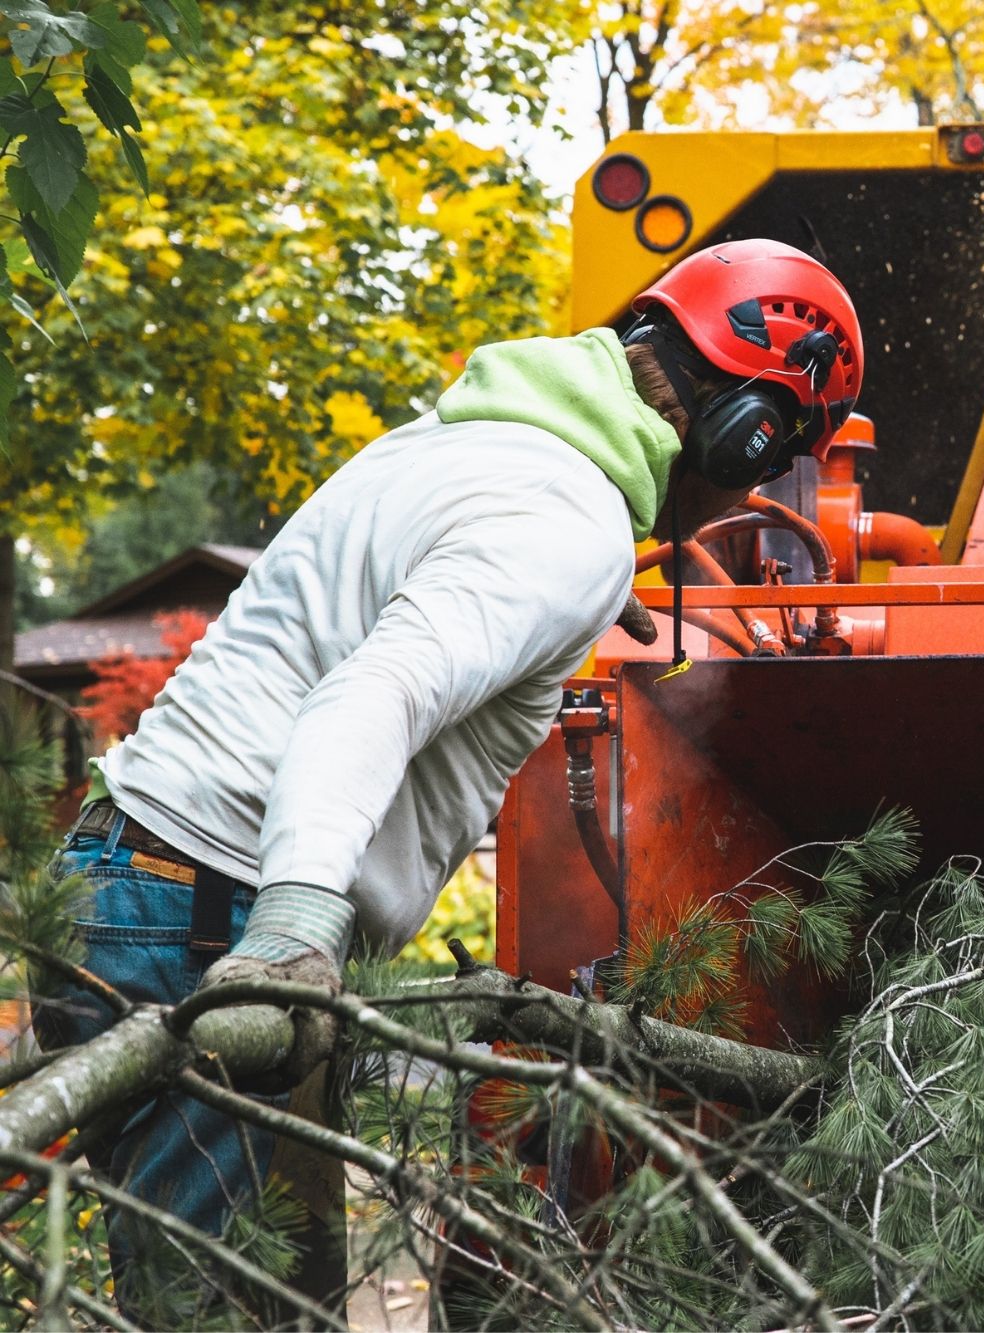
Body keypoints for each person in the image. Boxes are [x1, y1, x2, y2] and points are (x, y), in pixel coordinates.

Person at [31, 238, 864, 1283]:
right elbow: (368, 695)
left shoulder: (460, 447)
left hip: (151, 883)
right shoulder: (563, 526)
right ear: (746, 435)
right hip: (217, 918)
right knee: (216, 1309)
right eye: (772, 459)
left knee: (279, 1295)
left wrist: (561, 600)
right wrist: (294, 928)